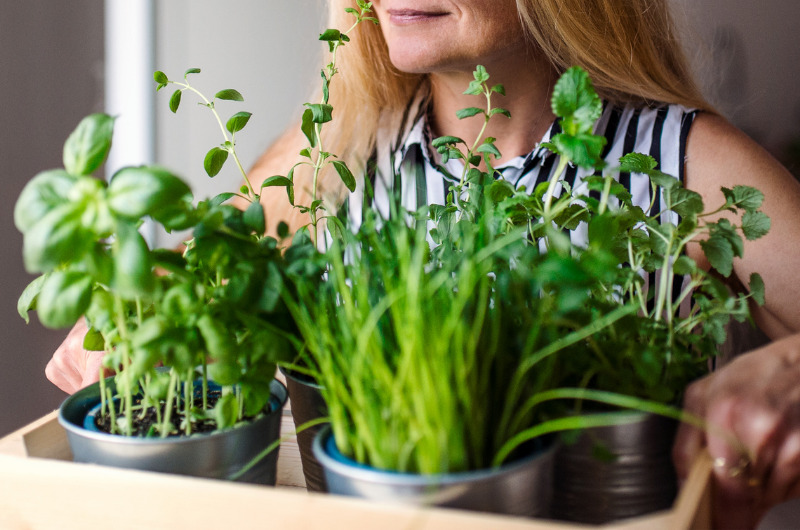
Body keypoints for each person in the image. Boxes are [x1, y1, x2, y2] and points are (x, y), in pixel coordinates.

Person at [45, 0, 800, 527]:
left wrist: (783, 376)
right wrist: (135, 319)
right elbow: (191, 293)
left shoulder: (689, 165)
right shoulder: (331, 156)